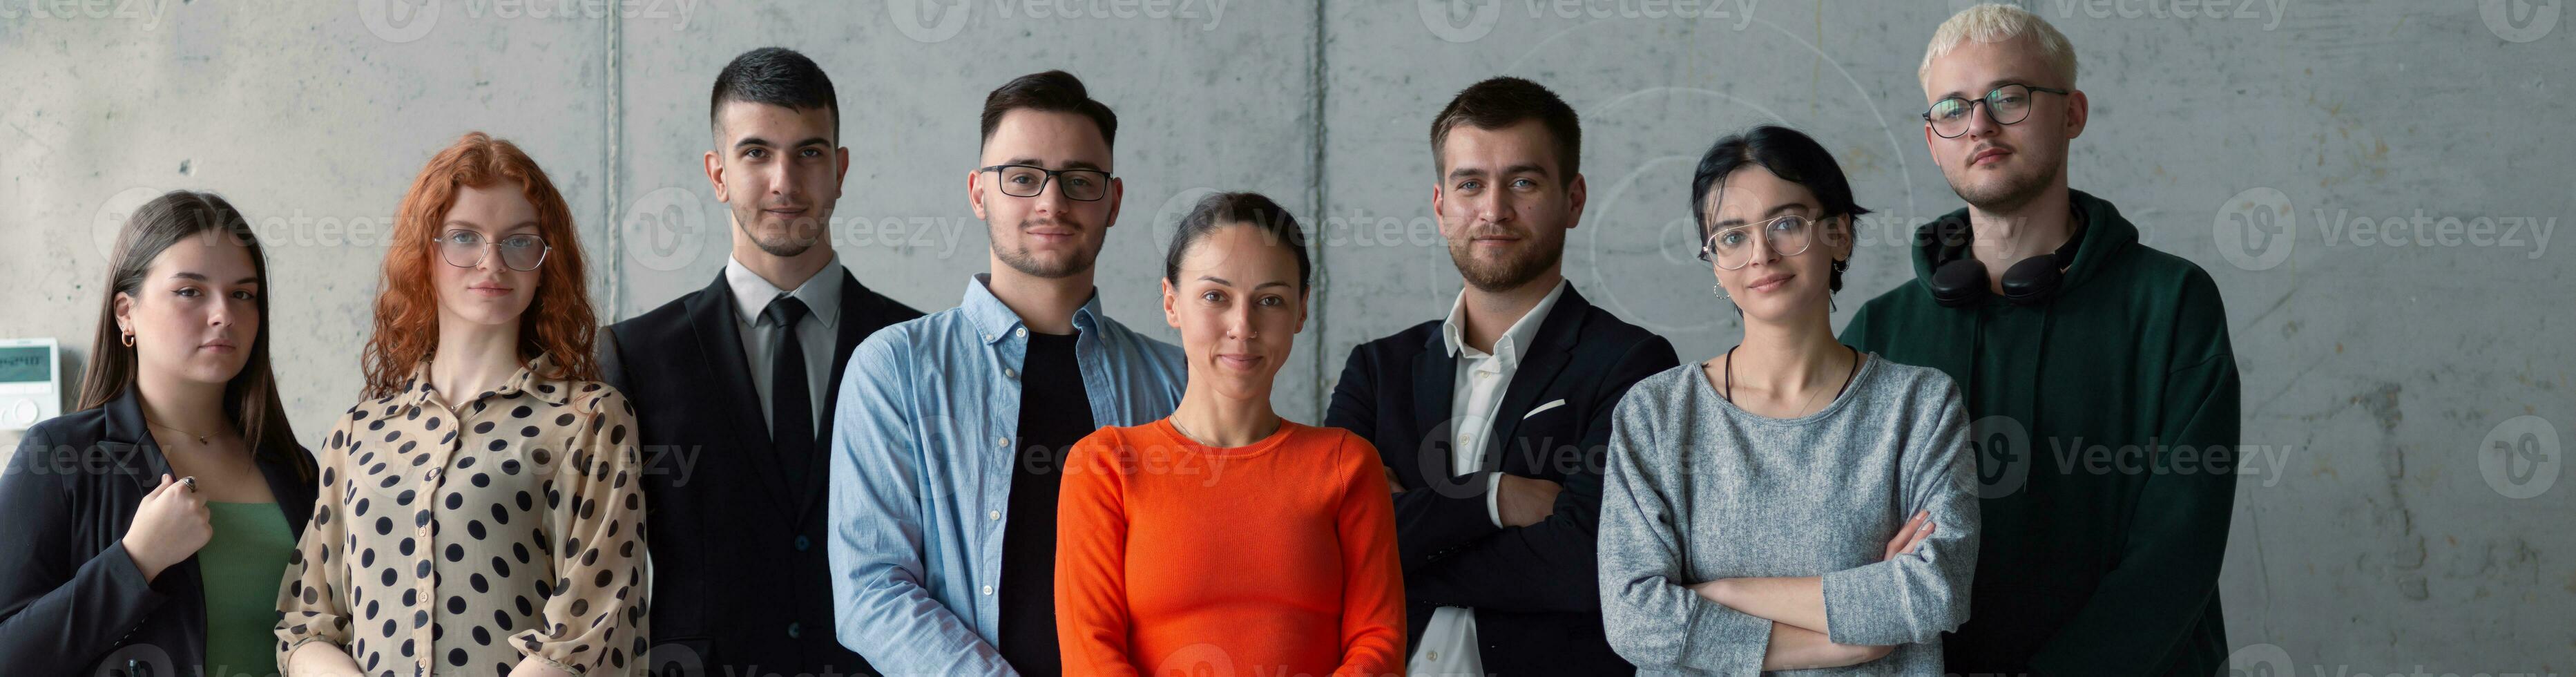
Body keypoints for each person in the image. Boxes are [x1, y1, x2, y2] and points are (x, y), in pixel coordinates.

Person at [1839, 5, 2241, 673]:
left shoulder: (2172, 303)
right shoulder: (1878, 333)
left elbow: (2180, 547)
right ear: (1932, 139)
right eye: (1952, 108)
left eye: (2010, 97)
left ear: (2073, 113)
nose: (1980, 125)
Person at [827, 70, 1185, 677]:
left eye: (1080, 180)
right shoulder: (895, 369)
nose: (1052, 201)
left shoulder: (1174, 379)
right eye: (1022, 178)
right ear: (978, 193)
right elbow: (871, 590)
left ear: (1114, 201)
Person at [1323, 75, 1678, 676]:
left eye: (1523, 181)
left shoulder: (1634, 365)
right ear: (1440, 206)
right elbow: (1328, 545)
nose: (1494, 210)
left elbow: (1583, 567)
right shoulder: (1378, 371)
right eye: (1470, 184)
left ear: (1574, 199)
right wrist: (1495, 499)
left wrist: (1398, 536)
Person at [1597, 124, 1979, 674]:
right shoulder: (1655, 414)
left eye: (1787, 224)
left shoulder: (1919, 406)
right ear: (1714, 264)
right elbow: (1635, 617)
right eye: (1731, 236)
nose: (1761, 254)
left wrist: (1723, 592)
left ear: (1840, 235)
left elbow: (1933, 591)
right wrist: (1844, 641)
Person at [277, 132, 650, 677]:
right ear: (424, 253)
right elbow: (304, 623)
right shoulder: (359, 432)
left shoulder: (590, 419)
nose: (491, 262)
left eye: (520, 241)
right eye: (464, 238)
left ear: (548, 261)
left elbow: (588, 630)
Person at [599, 46, 920, 676]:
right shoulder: (635, 355)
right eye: (756, 153)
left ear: (841, 169)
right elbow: (605, 572)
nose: (785, 182)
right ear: (717, 174)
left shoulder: (916, 344)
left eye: (809, 152)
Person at [1055, 191, 1406, 676]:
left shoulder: (1346, 464)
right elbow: (1091, 656)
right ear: (1171, 302)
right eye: (1215, 296)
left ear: (1301, 311)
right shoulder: (1105, 465)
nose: (1243, 326)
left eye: (1270, 300)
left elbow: (1378, 644)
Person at [0, 191, 317, 677]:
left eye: (243, 294)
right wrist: (135, 561)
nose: (223, 315)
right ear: (126, 312)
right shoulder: (60, 456)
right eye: (190, 291)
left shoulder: (297, 469)